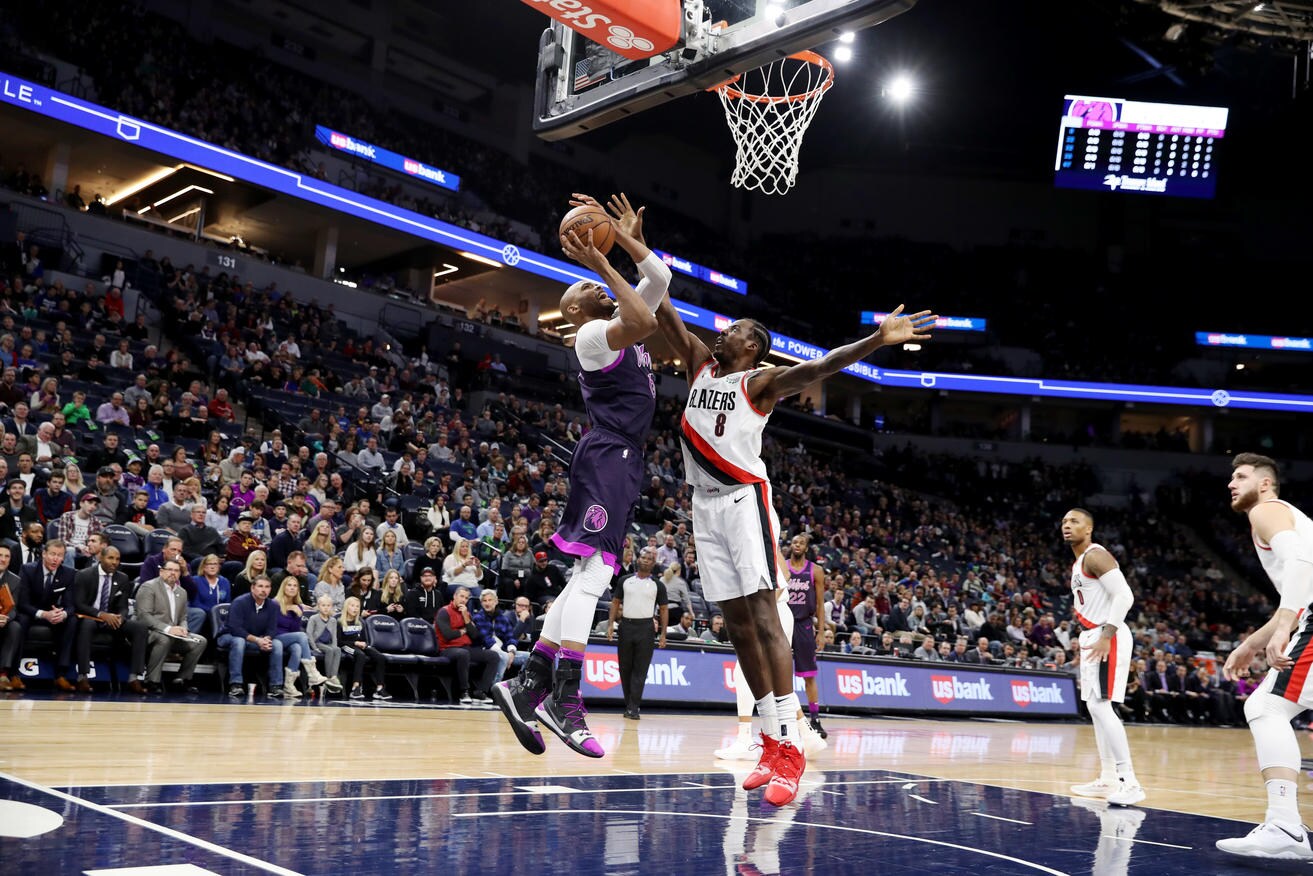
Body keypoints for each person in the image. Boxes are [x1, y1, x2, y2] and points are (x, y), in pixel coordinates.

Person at [654, 247, 933, 805]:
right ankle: (768, 740)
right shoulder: (699, 365)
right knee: (734, 626)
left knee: (763, 618)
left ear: (751, 346)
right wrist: (630, 247)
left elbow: (825, 365)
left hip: (743, 500)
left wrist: (876, 340)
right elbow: (661, 304)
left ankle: (791, 744)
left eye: (732, 328)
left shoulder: (761, 381)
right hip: (703, 505)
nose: (722, 330)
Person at [494, 192, 670, 759]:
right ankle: (563, 699)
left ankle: (527, 686)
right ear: (571, 312)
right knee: (595, 576)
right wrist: (600, 261)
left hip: (621, 458)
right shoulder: (591, 338)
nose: (597, 289)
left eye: (598, 284)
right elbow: (644, 316)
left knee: (583, 578)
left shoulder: (616, 320)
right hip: (606, 455)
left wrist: (623, 240)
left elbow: (658, 281)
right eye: (585, 289)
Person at [1216, 453, 1313, 860]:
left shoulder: (1266, 510)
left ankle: (1285, 827)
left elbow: (1302, 564)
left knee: (1266, 707)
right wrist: (1252, 643)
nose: (1231, 483)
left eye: (1240, 476)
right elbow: (1300, 582)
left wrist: (1287, 622)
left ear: (1266, 483)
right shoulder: (1292, 516)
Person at [1062, 507, 1145, 807]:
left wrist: (1106, 636)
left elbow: (1125, 596)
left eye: (1074, 521)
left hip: (1107, 634)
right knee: (1095, 707)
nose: (1067, 526)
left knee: (1101, 705)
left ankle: (1129, 781)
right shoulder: (1079, 562)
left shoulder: (1096, 555)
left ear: (1089, 529)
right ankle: (1108, 777)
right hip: (1094, 635)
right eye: (1064, 522)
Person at [72, 546, 151, 694]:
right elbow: (79, 604)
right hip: (90, 617)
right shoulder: (84, 575)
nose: (114, 562)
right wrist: (101, 614)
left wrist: (121, 616)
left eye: (117, 559)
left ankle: (134, 678)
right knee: (87, 625)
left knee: (140, 627)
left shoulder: (123, 578)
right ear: (100, 558)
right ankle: (82, 676)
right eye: (110, 558)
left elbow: (123, 606)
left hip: (112, 619)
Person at [606, 546, 666, 720]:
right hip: (626, 626)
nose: (646, 561)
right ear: (637, 560)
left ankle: (634, 707)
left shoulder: (658, 585)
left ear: (653, 563)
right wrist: (610, 624)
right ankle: (629, 704)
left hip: (646, 629)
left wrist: (663, 634)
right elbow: (615, 602)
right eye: (643, 558)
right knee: (625, 669)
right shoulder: (624, 580)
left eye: (650, 559)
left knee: (640, 670)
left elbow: (663, 609)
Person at [134, 557, 207, 694]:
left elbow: (183, 617)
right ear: (161, 572)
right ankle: (152, 681)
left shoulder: (182, 592)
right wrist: (168, 629)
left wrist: (184, 628)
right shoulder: (148, 587)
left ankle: (182, 679)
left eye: (176, 571)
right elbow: (144, 617)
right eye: (170, 570)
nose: (173, 573)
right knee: (164, 639)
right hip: (150, 632)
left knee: (200, 641)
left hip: (173, 634)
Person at [783, 533, 828, 740]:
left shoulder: (816, 571)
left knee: (809, 675)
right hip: (783, 622)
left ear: (806, 548)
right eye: (794, 542)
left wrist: (821, 632)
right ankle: (783, 718)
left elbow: (820, 604)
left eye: (801, 543)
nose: (797, 545)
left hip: (804, 624)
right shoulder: (782, 567)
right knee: (779, 673)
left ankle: (815, 719)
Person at [217, 574, 287, 699]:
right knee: (239, 641)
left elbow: (272, 629)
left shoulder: (273, 606)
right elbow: (235, 629)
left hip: (255, 639)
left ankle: (276, 686)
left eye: (267, 587)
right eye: (260, 586)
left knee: (277, 644)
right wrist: (257, 640)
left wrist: (266, 640)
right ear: (252, 588)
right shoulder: (239, 602)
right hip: (229, 636)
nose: (263, 590)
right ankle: (235, 684)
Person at [305, 595, 346, 695]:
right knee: (329, 650)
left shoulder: (333, 620)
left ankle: (333, 676)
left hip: (328, 643)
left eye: (328, 605)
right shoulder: (313, 618)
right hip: (317, 643)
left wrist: (335, 646)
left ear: (331, 607)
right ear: (318, 606)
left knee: (337, 650)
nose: (326, 608)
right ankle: (328, 678)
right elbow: (309, 634)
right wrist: (314, 647)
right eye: (323, 605)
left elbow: (334, 636)